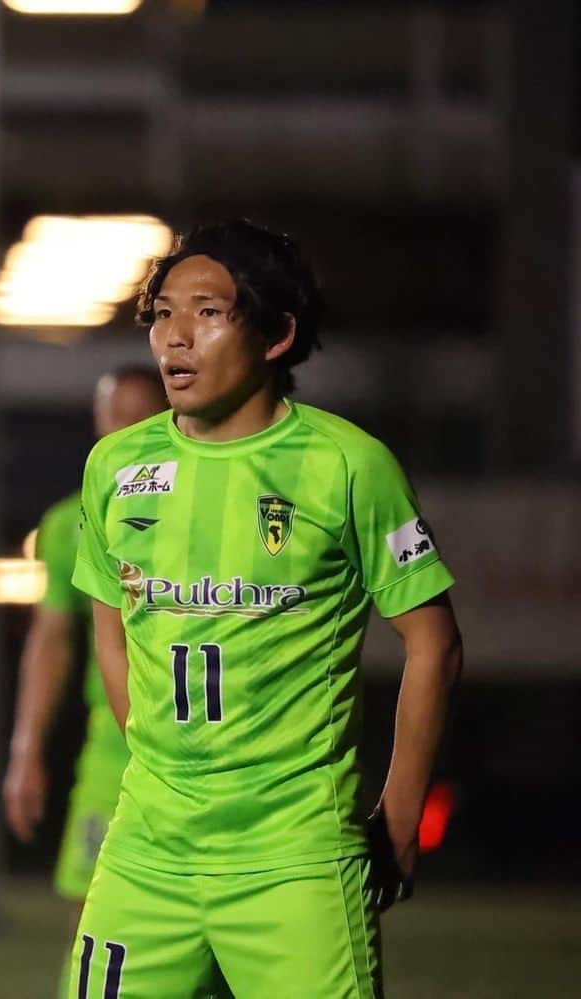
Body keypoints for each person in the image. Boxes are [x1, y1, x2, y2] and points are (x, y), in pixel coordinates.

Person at [69, 220, 463, 998]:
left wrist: (402, 811)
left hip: (294, 855)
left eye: (208, 313)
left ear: (278, 332)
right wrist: (162, 773)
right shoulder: (116, 465)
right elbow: (111, 632)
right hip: (149, 850)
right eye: (162, 313)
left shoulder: (347, 465)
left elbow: (433, 642)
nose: (174, 339)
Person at [3, 366, 168, 997]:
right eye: (110, 415)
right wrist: (27, 751)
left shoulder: (200, 509)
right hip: (112, 750)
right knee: (93, 920)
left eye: (137, 415)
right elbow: (51, 642)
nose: (121, 429)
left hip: (199, 743)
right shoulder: (68, 522)